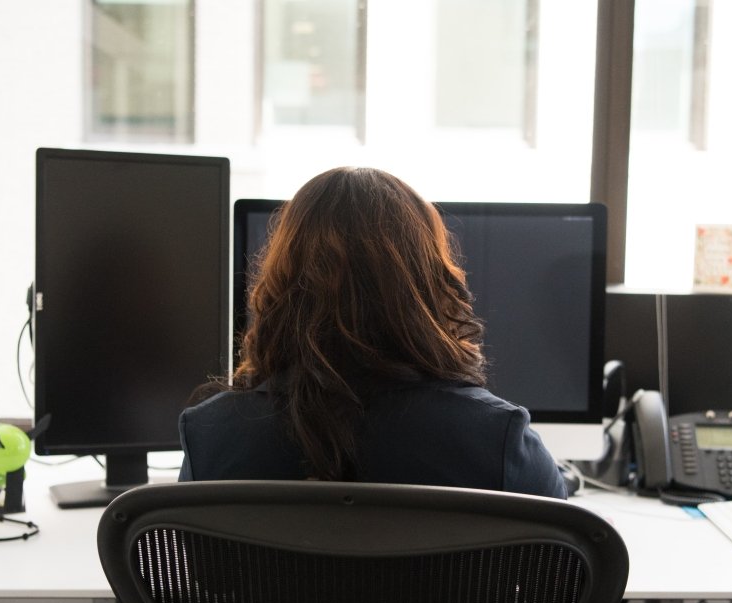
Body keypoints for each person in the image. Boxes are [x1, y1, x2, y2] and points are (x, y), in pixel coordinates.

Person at [177, 166, 566, 498]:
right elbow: (565, 575)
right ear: (428, 284)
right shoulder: (497, 438)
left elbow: (190, 567)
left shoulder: (210, 436)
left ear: (282, 283)